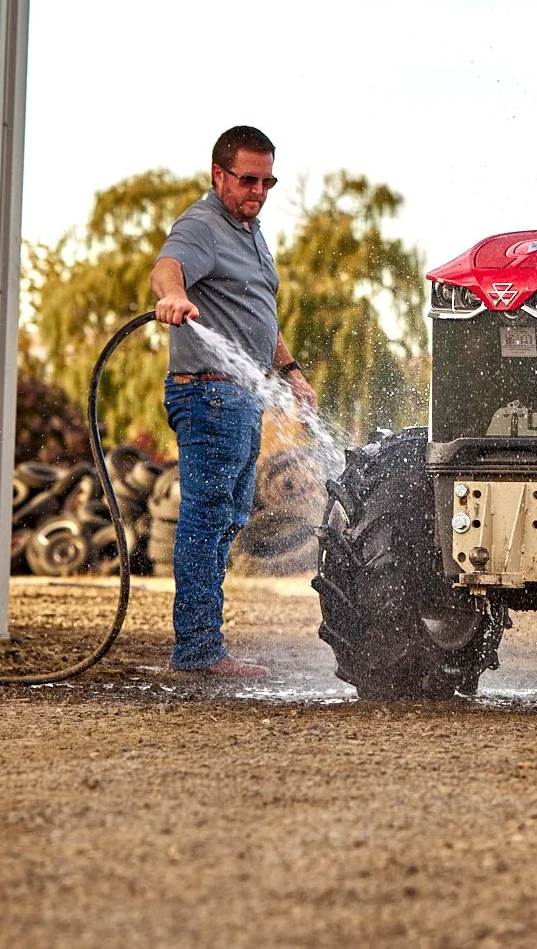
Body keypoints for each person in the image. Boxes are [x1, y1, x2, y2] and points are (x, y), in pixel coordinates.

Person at [151, 124, 318, 679]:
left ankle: (203, 644)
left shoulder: (251, 232)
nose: (258, 192)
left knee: (227, 517)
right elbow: (167, 266)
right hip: (208, 393)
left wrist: (291, 371)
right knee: (206, 517)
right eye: (247, 180)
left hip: (240, 392)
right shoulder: (202, 224)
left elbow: (254, 317)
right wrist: (172, 294)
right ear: (218, 174)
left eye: (267, 181)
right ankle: (198, 651)